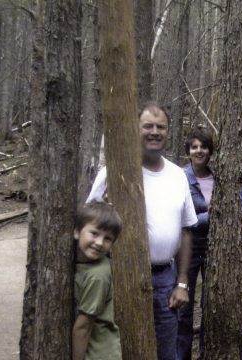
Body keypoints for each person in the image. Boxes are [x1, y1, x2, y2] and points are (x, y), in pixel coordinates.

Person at [86, 103, 197, 360]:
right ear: (136, 130)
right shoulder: (114, 172)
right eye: (147, 126)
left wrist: (182, 283)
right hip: (120, 276)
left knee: (166, 351)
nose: (154, 132)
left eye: (161, 127)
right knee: (123, 349)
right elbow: (89, 221)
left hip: (165, 279)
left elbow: (187, 231)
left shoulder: (178, 175)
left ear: (169, 132)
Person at [177, 129, 215, 360]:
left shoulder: (219, 176)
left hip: (214, 247)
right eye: (194, 147)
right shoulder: (180, 177)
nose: (199, 151)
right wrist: (209, 216)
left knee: (211, 305)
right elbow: (182, 219)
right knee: (184, 309)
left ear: (210, 151)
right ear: (188, 152)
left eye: (203, 147)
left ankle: (205, 353)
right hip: (188, 247)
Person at [72, 201, 123, 360]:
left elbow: (83, 327)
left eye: (108, 238)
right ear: (77, 232)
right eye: (94, 233)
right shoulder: (78, 263)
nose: (99, 242)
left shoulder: (97, 275)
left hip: (99, 354)